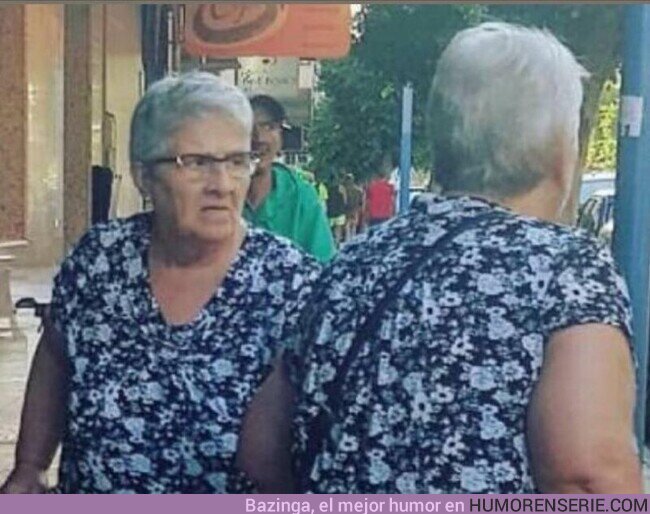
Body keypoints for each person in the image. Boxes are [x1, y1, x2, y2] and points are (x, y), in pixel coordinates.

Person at [280, 23, 641, 493]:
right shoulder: (566, 271)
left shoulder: (352, 264)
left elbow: (261, 449)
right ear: (560, 149)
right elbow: (587, 476)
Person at [0, 72, 319, 494]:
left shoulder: (292, 286)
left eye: (237, 161)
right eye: (197, 163)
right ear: (143, 175)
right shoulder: (100, 261)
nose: (222, 184)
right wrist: (30, 465)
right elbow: (56, 358)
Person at [244, 95, 335, 262]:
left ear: (281, 138)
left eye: (269, 127)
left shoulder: (301, 196)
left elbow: (324, 264)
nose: (259, 138)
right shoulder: (218, 193)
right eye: (248, 127)